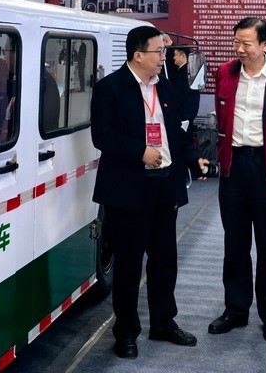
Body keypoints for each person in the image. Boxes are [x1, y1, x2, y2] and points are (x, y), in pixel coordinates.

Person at [90, 25, 204, 359]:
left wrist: (193, 157)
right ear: (138, 54)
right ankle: (126, 332)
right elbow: (102, 135)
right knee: (128, 265)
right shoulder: (110, 88)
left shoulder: (163, 86)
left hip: (164, 184)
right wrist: (139, 151)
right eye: (158, 51)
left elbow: (174, 130)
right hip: (128, 189)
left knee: (165, 259)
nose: (163, 57)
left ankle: (163, 322)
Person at [207, 17, 266, 343]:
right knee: (234, 242)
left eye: (246, 43)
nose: (239, 49)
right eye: (237, 42)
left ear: (264, 44)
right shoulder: (225, 73)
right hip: (233, 167)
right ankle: (235, 309)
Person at [170, 45, 201, 121]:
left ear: (183, 56)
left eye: (175, 55)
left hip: (184, 115)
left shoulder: (185, 73)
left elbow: (184, 96)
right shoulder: (187, 71)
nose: (174, 58)